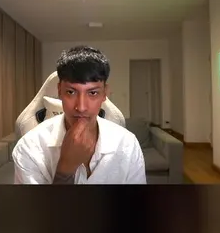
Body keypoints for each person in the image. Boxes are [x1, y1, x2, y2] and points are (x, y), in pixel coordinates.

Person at [13, 46, 147, 185]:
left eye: (92, 93)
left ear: (104, 94)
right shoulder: (29, 148)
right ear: (59, 91)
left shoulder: (127, 144)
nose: (81, 107)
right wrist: (64, 170)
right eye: (71, 92)